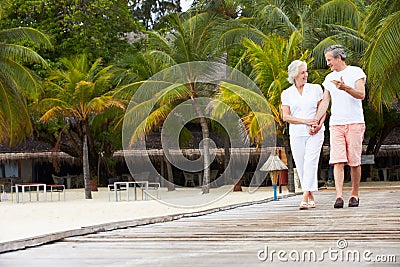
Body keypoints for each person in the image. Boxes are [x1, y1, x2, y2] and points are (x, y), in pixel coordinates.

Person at [314, 45, 366, 208]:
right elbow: (325, 102)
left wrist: (345, 88)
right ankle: (338, 196)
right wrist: (316, 120)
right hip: (336, 124)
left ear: (338, 58)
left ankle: (354, 194)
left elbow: (361, 95)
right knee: (337, 161)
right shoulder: (329, 79)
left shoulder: (356, 72)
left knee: (354, 162)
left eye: (329, 60)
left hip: (355, 122)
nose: (328, 63)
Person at [281, 60, 326, 210]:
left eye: (306, 72)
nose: (306, 75)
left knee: (310, 162)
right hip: (296, 134)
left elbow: (323, 109)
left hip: (315, 132)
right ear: (294, 75)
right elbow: (286, 117)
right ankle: (311, 197)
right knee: (301, 165)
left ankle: (305, 196)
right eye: (302, 72)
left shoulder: (315, 89)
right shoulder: (287, 93)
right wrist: (305, 121)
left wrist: (318, 124)